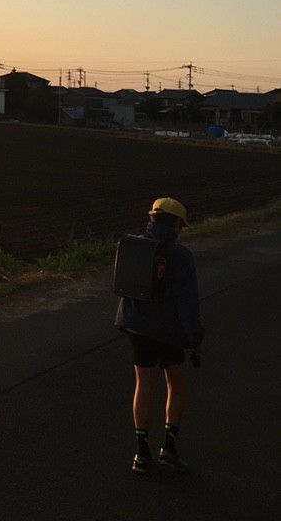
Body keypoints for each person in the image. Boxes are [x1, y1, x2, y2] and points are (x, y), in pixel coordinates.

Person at [115, 197, 205, 475]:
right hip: (168, 331)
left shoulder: (131, 245)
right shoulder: (180, 255)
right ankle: (169, 448)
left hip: (136, 327)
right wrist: (195, 337)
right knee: (175, 383)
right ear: (176, 223)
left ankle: (142, 454)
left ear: (152, 218)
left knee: (143, 384)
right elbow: (188, 302)